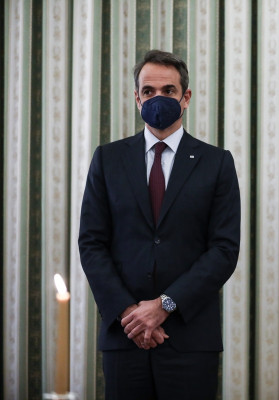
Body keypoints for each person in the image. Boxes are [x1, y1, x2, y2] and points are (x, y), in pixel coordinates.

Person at [78, 50, 240, 399]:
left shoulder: (217, 163)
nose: (158, 99)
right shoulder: (108, 159)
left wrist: (164, 305)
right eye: (148, 92)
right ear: (137, 98)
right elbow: (91, 243)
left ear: (186, 97)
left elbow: (224, 250)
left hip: (190, 338)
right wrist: (131, 314)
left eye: (169, 90)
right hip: (126, 334)